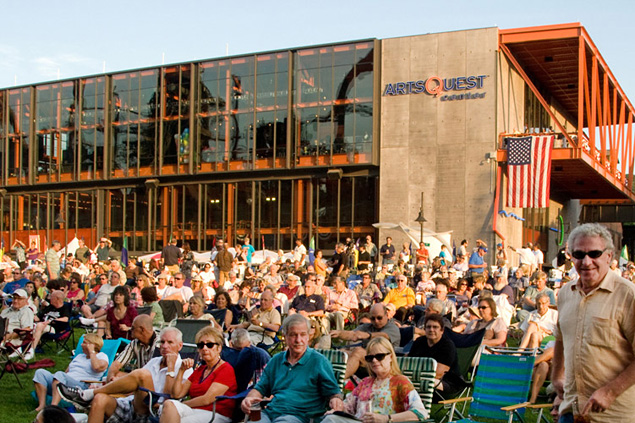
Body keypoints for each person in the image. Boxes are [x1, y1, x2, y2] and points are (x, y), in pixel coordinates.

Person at [551, 223, 635, 422]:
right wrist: (556, 376)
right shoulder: (565, 293)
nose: (586, 262)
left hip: (614, 415)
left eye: (594, 253)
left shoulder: (628, 295)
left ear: (609, 256)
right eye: (579, 255)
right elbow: (561, 338)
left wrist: (610, 392)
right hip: (572, 411)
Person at [58, 327, 193, 423]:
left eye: (170, 342)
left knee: (142, 374)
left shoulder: (185, 368)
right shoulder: (154, 362)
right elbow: (136, 385)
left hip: (152, 411)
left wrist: (170, 367)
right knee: (100, 399)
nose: (164, 346)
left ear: (180, 346)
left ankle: (86, 395)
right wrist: (118, 384)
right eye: (162, 342)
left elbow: (170, 396)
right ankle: (92, 395)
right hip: (132, 404)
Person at [241, 314, 343, 423]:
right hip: (270, 412)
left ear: (308, 336)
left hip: (300, 416)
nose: (298, 340)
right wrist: (249, 399)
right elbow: (259, 388)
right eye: (293, 335)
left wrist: (336, 400)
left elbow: (333, 393)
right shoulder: (276, 360)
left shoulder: (319, 362)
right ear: (285, 336)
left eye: (303, 335)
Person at [323, 337, 427, 423]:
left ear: (390, 357)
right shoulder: (365, 383)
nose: (374, 360)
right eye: (370, 358)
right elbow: (348, 407)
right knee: (330, 419)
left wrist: (386, 418)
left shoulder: (401, 382)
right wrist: (337, 408)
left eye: (379, 356)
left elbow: (420, 413)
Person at [160, 326, 238, 423]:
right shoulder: (200, 370)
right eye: (201, 345)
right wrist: (181, 370)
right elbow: (177, 394)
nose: (204, 348)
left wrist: (183, 404)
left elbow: (207, 399)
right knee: (169, 405)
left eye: (209, 345)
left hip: (216, 414)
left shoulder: (226, 369)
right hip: (194, 410)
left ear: (219, 348)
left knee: (174, 417)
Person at [33, 333, 108, 411]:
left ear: (93, 345)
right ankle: (41, 406)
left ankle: (53, 408)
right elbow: (66, 373)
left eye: (84, 343)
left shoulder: (102, 356)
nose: (81, 345)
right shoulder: (79, 356)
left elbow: (97, 367)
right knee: (40, 372)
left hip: (82, 386)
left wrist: (92, 352)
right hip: (67, 382)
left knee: (60, 374)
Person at [331, 303, 401, 379]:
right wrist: (338, 333)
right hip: (369, 361)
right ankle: (327, 378)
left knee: (358, 352)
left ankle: (336, 382)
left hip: (385, 363)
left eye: (379, 318)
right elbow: (352, 334)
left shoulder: (393, 328)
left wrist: (368, 335)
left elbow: (384, 336)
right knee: (342, 352)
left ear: (387, 315)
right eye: (373, 318)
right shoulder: (368, 326)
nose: (376, 321)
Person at [408, 314, 461, 396]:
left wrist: (413, 377)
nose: (431, 330)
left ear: (442, 330)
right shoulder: (419, 342)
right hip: (419, 380)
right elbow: (408, 363)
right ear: (424, 329)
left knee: (428, 382)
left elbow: (438, 374)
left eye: (435, 327)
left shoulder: (447, 346)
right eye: (428, 327)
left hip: (446, 382)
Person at [31, 290, 72, 358]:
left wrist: (51, 320)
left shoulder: (65, 308)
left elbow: (65, 319)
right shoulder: (50, 307)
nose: (49, 298)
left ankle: (31, 350)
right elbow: (38, 318)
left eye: (51, 297)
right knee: (32, 326)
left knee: (39, 325)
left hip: (54, 328)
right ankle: (30, 347)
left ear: (57, 299)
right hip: (41, 326)